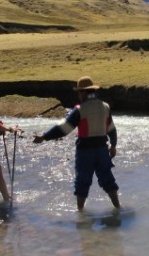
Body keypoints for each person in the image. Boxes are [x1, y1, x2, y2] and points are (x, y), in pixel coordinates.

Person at [33, 76, 120, 211]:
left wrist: (44, 137)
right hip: (102, 150)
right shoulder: (105, 107)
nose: (78, 95)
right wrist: (113, 145)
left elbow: (63, 129)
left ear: (84, 92)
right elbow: (112, 129)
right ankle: (118, 207)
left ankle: (81, 213)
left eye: (79, 92)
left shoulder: (80, 110)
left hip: (85, 152)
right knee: (108, 179)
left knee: (82, 183)